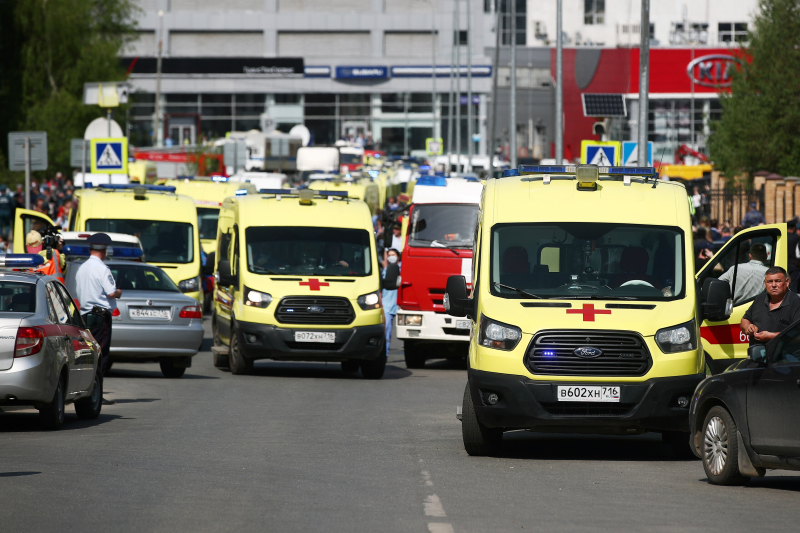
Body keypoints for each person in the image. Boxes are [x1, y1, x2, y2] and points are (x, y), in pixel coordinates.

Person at [74, 233, 122, 403]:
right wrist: (119, 292)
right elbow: (111, 292)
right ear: (105, 250)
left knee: (88, 355)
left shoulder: (82, 268)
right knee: (100, 355)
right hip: (100, 317)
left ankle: (87, 392)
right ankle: (96, 395)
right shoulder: (102, 269)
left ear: (91, 248)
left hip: (85, 315)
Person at [741, 266, 800, 346]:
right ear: (765, 283)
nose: (773, 285)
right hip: (757, 352)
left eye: (778, 281)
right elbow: (745, 319)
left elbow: (797, 335)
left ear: (787, 282)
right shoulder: (760, 299)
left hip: (782, 353)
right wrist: (748, 327)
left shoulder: (796, 302)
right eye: (769, 281)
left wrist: (771, 336)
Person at [381, 249, 401, 358]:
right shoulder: (385, 270)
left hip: (400, 305)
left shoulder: (403, 269)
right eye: (389, 255)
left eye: (393, 255)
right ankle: (385, 354)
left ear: (398, 256)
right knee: (387, 331)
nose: (391, 257)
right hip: (387, 305)